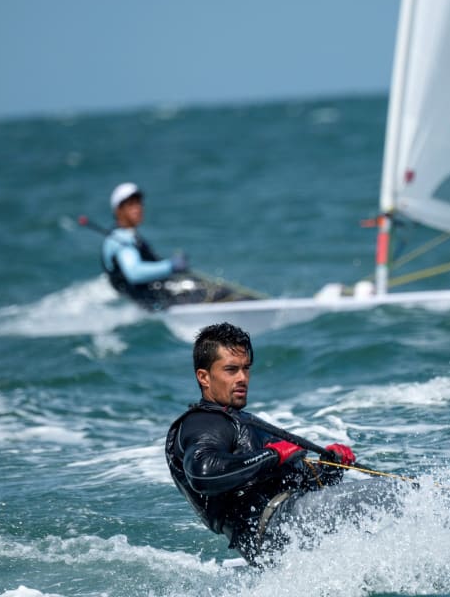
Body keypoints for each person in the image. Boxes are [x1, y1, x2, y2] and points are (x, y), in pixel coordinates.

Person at [165, 322, 398, 566]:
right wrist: (271, 455)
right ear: (204, 377)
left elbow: (290, 482)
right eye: (231, 370)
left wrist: (330, 469)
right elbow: (203, 474)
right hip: (277, 526)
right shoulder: (202, 423)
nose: (242, 378)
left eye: (246, 369)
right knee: (395, 493)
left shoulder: (239, 421)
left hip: (283, 531)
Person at [100, 181, 190, 310]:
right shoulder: (120, 239)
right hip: (149, 303)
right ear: (118, 211)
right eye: (131, 204)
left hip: (152, 298)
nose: (138, 208)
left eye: (139, 203)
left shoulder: (131, 236)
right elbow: (134, 273)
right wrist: (170, 266)